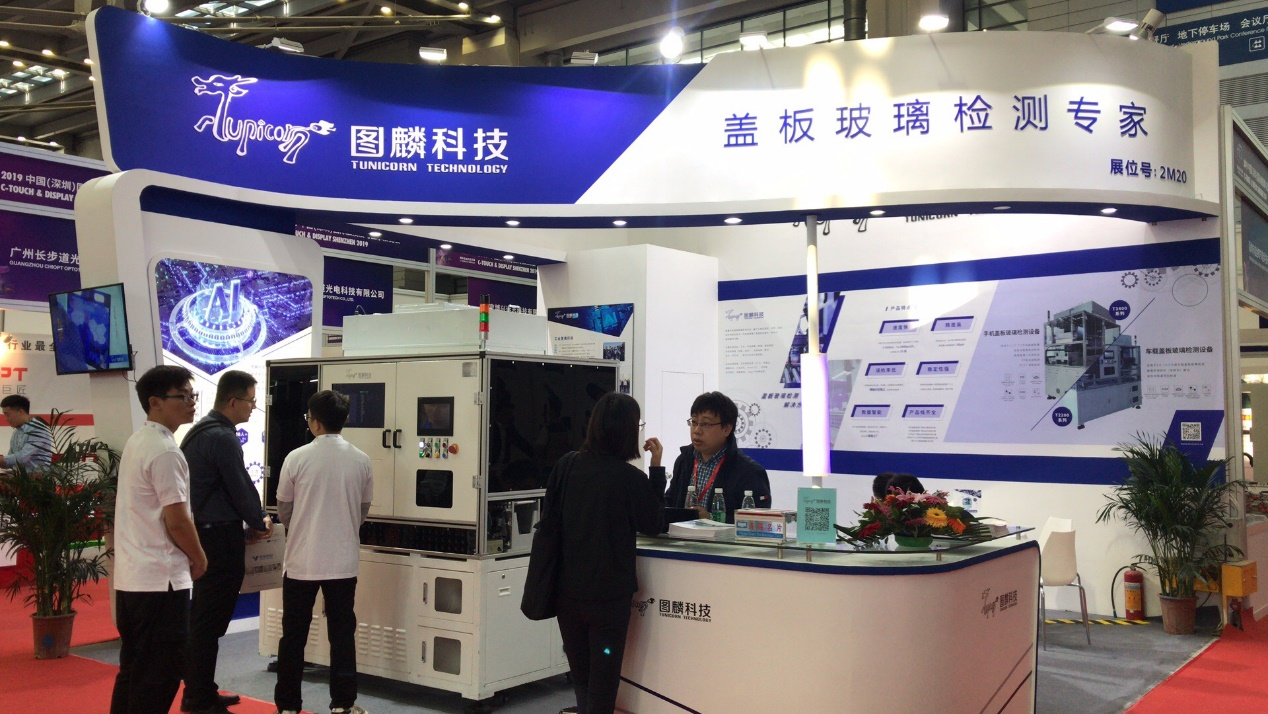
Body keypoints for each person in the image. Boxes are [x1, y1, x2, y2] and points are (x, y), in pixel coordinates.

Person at [550, 392, 665, 714]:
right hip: (607, 599)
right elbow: (654, 523)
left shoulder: (566, 466)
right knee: (603, 683)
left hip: (566, 593)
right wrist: (657, 468)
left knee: (582, 678)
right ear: (628, 431)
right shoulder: (630, 478)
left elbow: (549, 521)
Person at [111, 365, 208, 714]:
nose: (191, 403)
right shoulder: (165, 450)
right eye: (182, 396)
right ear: (155, 402)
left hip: (133, 578)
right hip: (160, 579)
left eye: (192, 395)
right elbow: (177, 521)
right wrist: (199, 558)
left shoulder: (139, 440)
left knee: (134, 670)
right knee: (159, 674)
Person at [273, 390, 373, 714]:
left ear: (314, 422)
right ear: (345, 420)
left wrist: (304, 526)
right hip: (343, 562)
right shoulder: (361, 459)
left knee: (293, 636)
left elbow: (284, 509)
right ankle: (343, 704)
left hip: (301, 561)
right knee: (342, 635)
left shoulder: (296, 458)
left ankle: (288, 706)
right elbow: (363, 510)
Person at [180, 370, 273, 714]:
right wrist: (260, 520)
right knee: (208, 621)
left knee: (205, 618)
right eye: (250, 401)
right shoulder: (221, 437)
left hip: (206, 531)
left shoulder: (201, 432)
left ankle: (201, 689)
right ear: (233, 401)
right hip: (218, 537)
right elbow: (239, 485)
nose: (253, 408)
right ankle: (198, 696)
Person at [665, 391, 772, 523]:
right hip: (681, 536)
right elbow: (669, 503)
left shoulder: (749, 472)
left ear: (726, 429)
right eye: (694, 422)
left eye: (705, 424)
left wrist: (711, 519)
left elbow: (758, 522)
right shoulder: (684, 460)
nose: (697, 430)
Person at [0, 394, 53, 471]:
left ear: (20, 412)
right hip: (20, 476)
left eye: (7, 415)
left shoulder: (38, 430)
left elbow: (22, 457)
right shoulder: (16, 432)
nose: (6, 419)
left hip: (38, 477)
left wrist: (3, 460)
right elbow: (10, 461)